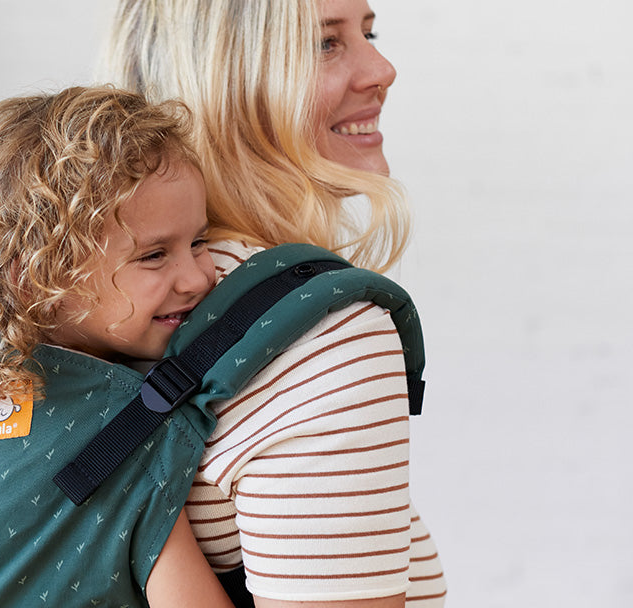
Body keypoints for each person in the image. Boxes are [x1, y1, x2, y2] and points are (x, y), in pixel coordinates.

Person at [100, 0, 448, 606]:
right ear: (227, 79)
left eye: (368, 33)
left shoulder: (95, 299)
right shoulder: (318, 335)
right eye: (324, 44)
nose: (382, 68)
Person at [0, 86, 234, 607]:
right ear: (40, 282)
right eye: (155, 255)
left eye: (199, 241)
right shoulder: (122, 437)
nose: (200, 276)